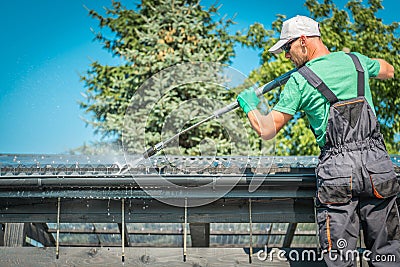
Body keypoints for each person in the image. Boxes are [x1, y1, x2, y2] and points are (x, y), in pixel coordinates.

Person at [237, 15, 400, 266]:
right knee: (389, 255)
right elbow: (388, 70)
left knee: (339, 258)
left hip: (338, 173)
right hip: (377, 167)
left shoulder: (300, 80)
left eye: (287, 48)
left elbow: (266, 129)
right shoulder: (356, 61)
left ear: (303, 41)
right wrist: (356, 65)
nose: (286, 56)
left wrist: (249, 105)